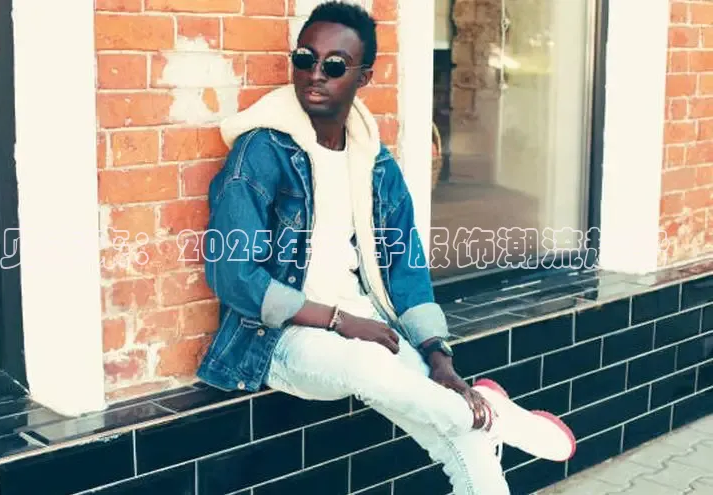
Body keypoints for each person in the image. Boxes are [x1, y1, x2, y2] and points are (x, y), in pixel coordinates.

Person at [196, 2, 576, 493]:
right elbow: (233, 275)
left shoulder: (375, 165)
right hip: (280, 338)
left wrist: (438, 359)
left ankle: (477, 420)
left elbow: (405, 268)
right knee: (376, 367)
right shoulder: (261, 152)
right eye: (305, 58)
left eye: (335, 65)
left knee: (465, 444)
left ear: (364, 76)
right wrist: (339, 320)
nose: (315, 73)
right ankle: (489, 415)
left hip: (368, 323)